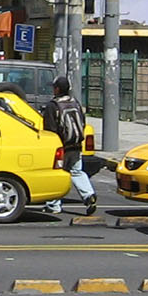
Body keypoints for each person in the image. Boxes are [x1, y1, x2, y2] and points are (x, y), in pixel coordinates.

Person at [39, 75, 96, 216]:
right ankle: (89, 195)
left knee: (56, 173)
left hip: (61, 147)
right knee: (77, 171)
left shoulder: (53, 105)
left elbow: (50, 129)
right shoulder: (75, 102)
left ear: (57, 89)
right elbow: (82, 122)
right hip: (75, 145)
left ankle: (53, 205)